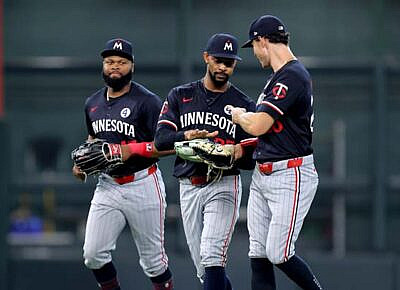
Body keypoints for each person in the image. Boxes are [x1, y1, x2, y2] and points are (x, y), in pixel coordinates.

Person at [228, 15, 323, 290]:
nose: (255, 53)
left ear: (262, 40)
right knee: (257, 253)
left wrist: (239, 115)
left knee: (279, 253)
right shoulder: (278, 78)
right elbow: (272, 134)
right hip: (265, 171)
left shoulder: (292, 75)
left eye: (254, 46)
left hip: (290, 174)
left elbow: (258, 125)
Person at [154, 33, 256, 290]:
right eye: (219, 60)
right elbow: (161, 140)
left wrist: (229, 152)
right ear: (206, 58)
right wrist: (186, 135)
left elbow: (252, 157)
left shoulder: (243, 104)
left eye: (229, 62)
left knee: (212, 255)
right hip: (188, 185)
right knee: (204, 269)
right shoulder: (181, 95)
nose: (223, 67)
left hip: (223, 183)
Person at [72, 38, 174, 290]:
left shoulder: (147, 101)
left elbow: (168, 145)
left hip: (143, 184)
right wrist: (83, 163)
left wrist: (130, 150)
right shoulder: (92, 103)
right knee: (93, 254)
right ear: (103, 66)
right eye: (109, 62)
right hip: (108, 186)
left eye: (121, 62)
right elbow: (93, 140)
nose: (114, 66)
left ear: (132, 66)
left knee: (154, 263)